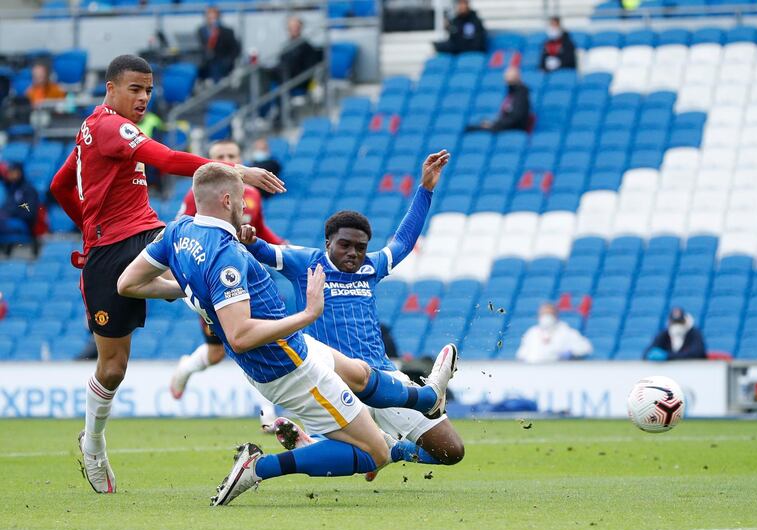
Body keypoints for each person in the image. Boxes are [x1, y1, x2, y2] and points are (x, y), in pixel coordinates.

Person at [117, 162, 458, 505]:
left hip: (309, 352)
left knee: (361, 374)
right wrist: (308, 314)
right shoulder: (264, 258)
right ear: (226, 201)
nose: (245, 207)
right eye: (240, 200)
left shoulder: (179, 230)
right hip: (290, 362)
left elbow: (127, 283)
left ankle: (429, 397)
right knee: (378, 454)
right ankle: (261, 467)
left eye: (360, 246)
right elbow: (240, 332)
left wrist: (186, 288)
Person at [49, 54, 283, 495]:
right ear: (110, 89)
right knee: (113, 368)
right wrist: (240, 171)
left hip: (152, 234)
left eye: (148, 91)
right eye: (134, 89)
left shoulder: (98, 132)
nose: (142, 99)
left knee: (223, 305)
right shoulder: (105, 127)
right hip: (105, 254)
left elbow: (62, 185)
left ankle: (276, 407)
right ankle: (94, 444)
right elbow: (167, 158)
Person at [241, 150, 466, 469]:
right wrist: (249, 240)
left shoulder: (372, 266)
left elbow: (403, 241)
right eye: (344, 244)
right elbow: (263, 250)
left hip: (383, 378)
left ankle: (378, 446)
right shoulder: (305, 262)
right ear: (327, 242)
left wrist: (425, 189)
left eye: (360, 247)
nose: (353, 253)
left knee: (451, 451)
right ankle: (327, 443)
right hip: (330, 379)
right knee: (352, 456)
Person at [170, 139, 286, 399]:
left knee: (260, 340)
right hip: (213, 282)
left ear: (240, 158)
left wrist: (282, 248)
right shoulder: (195, 196)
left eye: (230, 155)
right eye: (219, 156)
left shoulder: (252, 196)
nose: (225, 159)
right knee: (216, 352)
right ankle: (186, 369)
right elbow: (180, 234)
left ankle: (267, 413)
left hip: (247, 278)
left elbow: (260, 231)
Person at [516, 303, 593, 363]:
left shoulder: (567, 331)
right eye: (543, 314)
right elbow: (521, 354)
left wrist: (570, 354)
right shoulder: (532, 332)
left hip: (559, 371)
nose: (546, 317)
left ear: (556, 315)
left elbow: (585, 348)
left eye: (549, 314)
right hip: (534, 372)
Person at [465, 66, 530, 133]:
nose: (507, 82)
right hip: (503, 125)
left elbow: (516, 117)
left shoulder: (521, 95)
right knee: (471, 128)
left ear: (517, 77)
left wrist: (496, 125)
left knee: (474, 129)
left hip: (511, 128)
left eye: (510, 80)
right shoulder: (512, 93)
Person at [0, 162, 41, 253]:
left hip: (23, 224)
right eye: (9, 172)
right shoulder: (12, 189)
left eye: (12, 171)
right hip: (8, 222)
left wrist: (11, 213)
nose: (10, 174)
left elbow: (30, 213)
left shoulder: (29, 190)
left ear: (19, 172)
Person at [197, 6, 240, 83]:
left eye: (214, 17)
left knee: (215, 67)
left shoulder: (227, 31)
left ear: (218, 18)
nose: (211, 20)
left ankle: (215, 89)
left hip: (222, 61)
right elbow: (202, 47)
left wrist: (228, 60)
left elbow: (235, 49)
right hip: (205, 61)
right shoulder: (201, 31)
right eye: (209, 17)